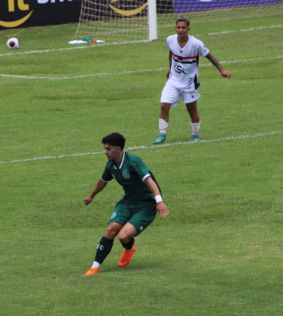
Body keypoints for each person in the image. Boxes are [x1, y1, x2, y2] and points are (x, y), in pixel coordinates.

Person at [82, 133, 169, 276]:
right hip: (128, 201)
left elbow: (149, 181)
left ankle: (129, 249)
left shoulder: (133, 161)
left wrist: (159, 201)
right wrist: (91, 196)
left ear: (119, 148)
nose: (106, 152)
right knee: (111, 229)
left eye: (108, 149)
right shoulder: (110, 165)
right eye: (105, 149)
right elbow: (103, 181)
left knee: (123, 236)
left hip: (146, 205)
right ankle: (94, 267)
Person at [153, 17, 231, 145]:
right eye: (178, 27)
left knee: (191, 109)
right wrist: (170, 67)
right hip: (173, 80)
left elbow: (210, 56)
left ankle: (195, 135)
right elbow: (171, 53)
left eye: (183, 28)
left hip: (189, 82)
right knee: (163, 106)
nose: (181, 30)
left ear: (188, 29)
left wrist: (221, 70)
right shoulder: (170, 40)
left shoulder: (196, 44)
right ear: (175, 28)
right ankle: (162, 134)